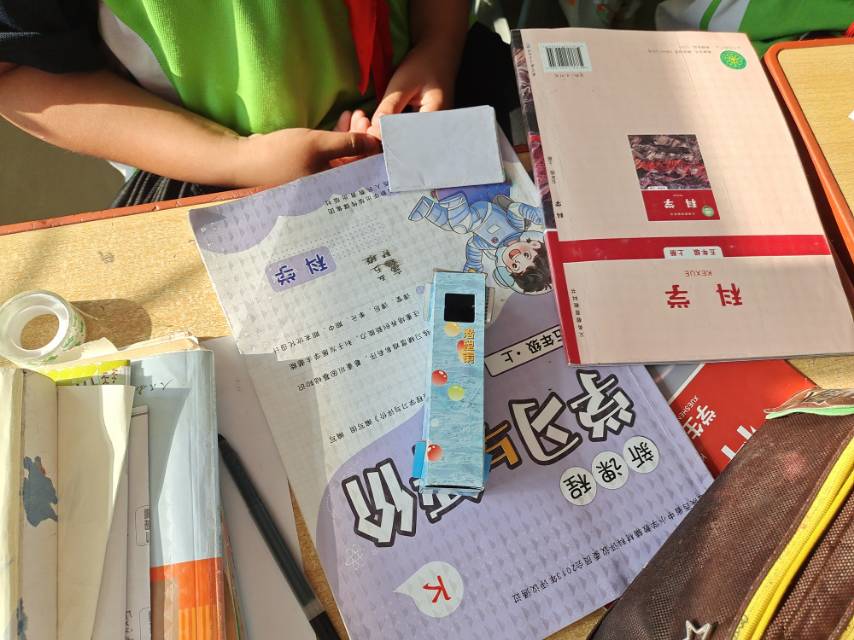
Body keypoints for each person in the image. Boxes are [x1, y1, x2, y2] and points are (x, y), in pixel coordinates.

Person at [0, 1, 471, 204]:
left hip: (421, 99)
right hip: (209, 165)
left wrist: (439, 40)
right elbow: (17, 71)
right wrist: (236, 157)